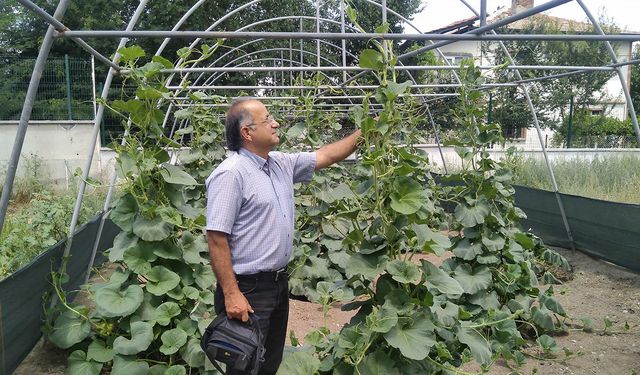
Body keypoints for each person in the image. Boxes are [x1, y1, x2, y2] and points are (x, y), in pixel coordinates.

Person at [205, 98, 361, 375]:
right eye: (267, 120)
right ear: (247, 133)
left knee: (269, 362)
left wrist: (366, 132)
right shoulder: (231, 174)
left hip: (278, 283)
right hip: (247, 288)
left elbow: (326, 155)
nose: (276, 123)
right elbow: (216, 238)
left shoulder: (280, 164)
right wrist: (231, 294)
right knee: (244, 366)